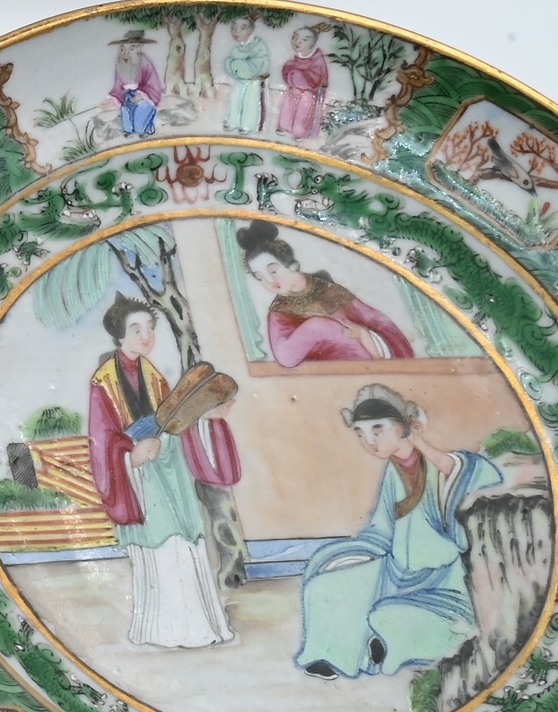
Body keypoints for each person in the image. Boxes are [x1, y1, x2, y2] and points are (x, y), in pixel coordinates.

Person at [296, 388, 500, 683]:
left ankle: (382, 648)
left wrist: (422, 444)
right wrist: (361, 553)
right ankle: (331, 657)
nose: (370, 441)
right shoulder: (393, 471)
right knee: (325, 586)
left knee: (390, 618)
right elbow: (381, 528)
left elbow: (475, 476)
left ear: (403, 427)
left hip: (441, 580)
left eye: (378, 430)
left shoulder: (439, 464)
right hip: (395, 571)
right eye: (361, 433)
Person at [84, 297, 241, 649]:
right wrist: (131, 454)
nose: (146, 337)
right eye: (136, 330)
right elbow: (102, 438)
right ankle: (163, 630)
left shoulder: (154, 377)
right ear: (120, 335)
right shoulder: (103, 382)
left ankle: (200, 626)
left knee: (185, 542)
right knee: (162, 546)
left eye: (150, 329)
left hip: (170, 469)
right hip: (139, 479)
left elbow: (176, 424)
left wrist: (206, 417)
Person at [238, 221, 415, 365]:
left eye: (273, 271)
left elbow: (381, 324)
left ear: (292, 265)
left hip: (365, 367)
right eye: (260, 277)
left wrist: (365, 335)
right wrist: (317, 328)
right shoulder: (279, 311)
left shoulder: (332, 292)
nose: (269, 281)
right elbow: (285, 357)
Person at [219, 14, 272, 137]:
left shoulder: (259, 46)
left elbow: (259, 64)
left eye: (242, 28)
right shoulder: (238, 48)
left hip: (255, 81)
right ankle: (233, 122)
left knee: (250, 102)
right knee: (235, 99)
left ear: (250, 30)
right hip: (240, 79)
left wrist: (240, 66)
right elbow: (230, 62)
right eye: (233, 28)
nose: (236, 31)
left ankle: (248, 125)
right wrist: (236, 67)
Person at [276, 25, 331, 142]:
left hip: (308, 92)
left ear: (313, 43)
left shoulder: (317, 60)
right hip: (293, 89)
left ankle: (299, 132)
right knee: (287, 107)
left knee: (303, 111)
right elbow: (286, 71)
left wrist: (304, 77)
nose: (298, 42)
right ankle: (284, 127)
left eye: (304, 39)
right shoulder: (294, 59)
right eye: (295, 37)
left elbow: (319, 77)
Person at [106, 31, 162, 137]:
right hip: (128, 96)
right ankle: (128, 131)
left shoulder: (144, 62)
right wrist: (113, 99)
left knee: (142, 107)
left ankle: (144, 130)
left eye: (131, 49)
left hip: (144, 96)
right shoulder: (120, 64)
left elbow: (152, 82)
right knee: (125, 109)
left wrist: (143, 95)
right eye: (122, 49)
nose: (125, 53)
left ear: (138, 49)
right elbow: (118, 85)